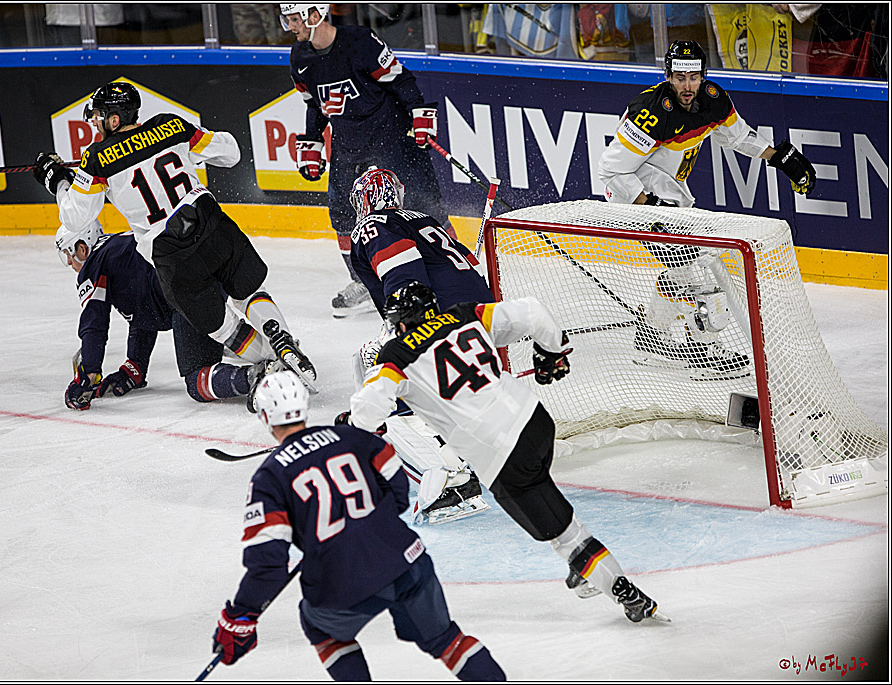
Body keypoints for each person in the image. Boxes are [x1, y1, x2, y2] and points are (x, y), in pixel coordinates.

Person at [343, 282, 665, 624]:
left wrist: (353, 426)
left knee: (565, 535)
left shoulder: (395, 355)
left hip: (499, 453)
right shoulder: (466, 314)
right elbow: (533, 311)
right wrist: (552, 352)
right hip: (536, 422)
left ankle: (620, 589)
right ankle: (584, 566)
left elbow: (368, 411)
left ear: (403, 322)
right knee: (543, 491)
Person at [33, 81, 316, 406]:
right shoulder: (170, 126)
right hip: (211, 223)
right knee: (248, 291)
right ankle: (282, 340)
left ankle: (270, 362)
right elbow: (231, 153)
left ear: (113, 119)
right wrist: (191, 151)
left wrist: (59, 181)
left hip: (174, 257)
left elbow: (74, 218)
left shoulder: (97, 159)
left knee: (223, 328)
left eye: (98, 117)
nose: (95, 123)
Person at [211, 370, 506, 681]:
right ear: (305, 405)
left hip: (341, 581)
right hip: (406, 559)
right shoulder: (354, 438)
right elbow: (398, 490)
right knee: (446, 640)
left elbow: (267, 566)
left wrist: (240, 617)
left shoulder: (269, 479)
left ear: (264, 416)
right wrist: (370, 523)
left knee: (321, 629)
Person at [597, 39, 816, 376]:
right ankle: (700, 350)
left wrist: (780, 159)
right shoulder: (649, 111)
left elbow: (738, 137)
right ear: (668, 76)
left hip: (672, 196)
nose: (687, 86)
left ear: (703, 76)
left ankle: (651, 337)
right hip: (637, 198)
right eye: (680, 78)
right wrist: (650, 207)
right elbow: (610, 171)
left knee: (684, 268)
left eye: (694, 77)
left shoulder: (713, 99)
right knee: (698, 267)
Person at [280, 3, 455, 318]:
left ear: (315, 15)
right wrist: (313, 140)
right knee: (343, 213)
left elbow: (400, 79)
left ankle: (454, 264)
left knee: (422, 203)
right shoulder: (300, 57)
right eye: (288, 20)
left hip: (391, 135)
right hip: (348, 144)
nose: (290, 26)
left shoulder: (360, 41)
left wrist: (418, 112)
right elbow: (314, 105)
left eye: (294, 19)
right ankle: (363, 279)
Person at [347, 166, 494, 524]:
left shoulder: (371, 226)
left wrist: (403, 343)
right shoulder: (422, 219)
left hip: (439, 323)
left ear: (364, 200)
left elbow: (406, 283)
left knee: (377, 371)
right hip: (480, 324)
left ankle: (448, 482)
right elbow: (471, 271)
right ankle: (457, 448)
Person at [57, 219, 268, 411]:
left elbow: (94, 323)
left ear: (82, 248)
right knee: (221, 334)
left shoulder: (94, 265)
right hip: (205, 271)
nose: (69, 263)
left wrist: (88, 374)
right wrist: (135, 365)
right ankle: (273, 353)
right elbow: (143, 310)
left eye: (68, 254)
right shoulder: (118, 248)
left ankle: (258, 378)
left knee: (197, 382)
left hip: (186, 292)